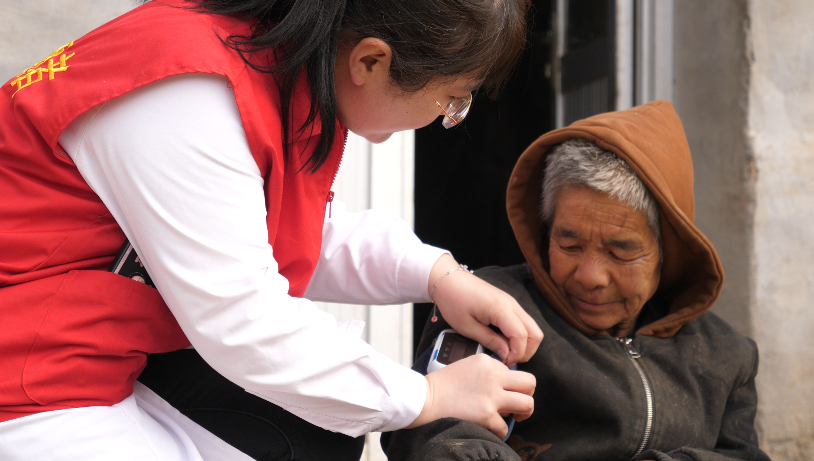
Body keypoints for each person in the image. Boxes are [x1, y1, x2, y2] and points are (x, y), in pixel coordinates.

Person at [0, 0, 544, 459]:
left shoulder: (275, 65)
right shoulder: (192, 93)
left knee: (316, 435)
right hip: (28, 375)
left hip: (98, 350)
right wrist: (426, 398)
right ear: (371, 60)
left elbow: (284, 229)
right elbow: (243, 320)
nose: (450, 116)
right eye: (454, 99)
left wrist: (437, 275)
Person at [382, 101, 771, 461]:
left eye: (620, 251)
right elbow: (433, 435)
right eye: (569, 245)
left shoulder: (723, 355)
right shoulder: (492, 310)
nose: (591, 276)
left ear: (669, 251)